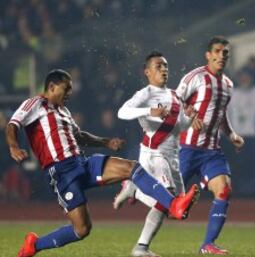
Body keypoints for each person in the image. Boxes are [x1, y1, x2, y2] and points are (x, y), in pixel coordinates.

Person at [6, 69, 199, 257]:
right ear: (51, 86)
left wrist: (105, 142)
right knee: (82, 229)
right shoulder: (36, 103)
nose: (69, 94)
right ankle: (35, 245)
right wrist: (14, 146)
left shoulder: (63, 111)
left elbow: (79, 136)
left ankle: (174, 204)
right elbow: (13, 124)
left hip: (82, 163)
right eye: (66, 89)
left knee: (131, 168)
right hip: (61, 172)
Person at [113, 51, 200, 257]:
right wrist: (148, 111)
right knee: (169, 201)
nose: (164, 69)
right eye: (159, 66)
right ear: (147, 72)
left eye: (166, 66)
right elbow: (122, 112)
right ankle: (140, 246)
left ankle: (134, 190)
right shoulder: (146, 93)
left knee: (179, 212)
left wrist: (189, 119)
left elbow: (178, 128)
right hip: (154, 154)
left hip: (173, 158)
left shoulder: (174, 96)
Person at [176, 36, 244, 255]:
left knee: (224, 190)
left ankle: (208, 244)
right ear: (208, 54)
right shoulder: (195, 77)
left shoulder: (228, 85)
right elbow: (175, 101)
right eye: (218, 51)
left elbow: (220, 115)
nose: (222, 55)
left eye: (226, 52)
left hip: (212, 151)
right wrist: (190, 114)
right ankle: (134, 187)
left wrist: (231, 134)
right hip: (187, 149)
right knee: (164, 201)